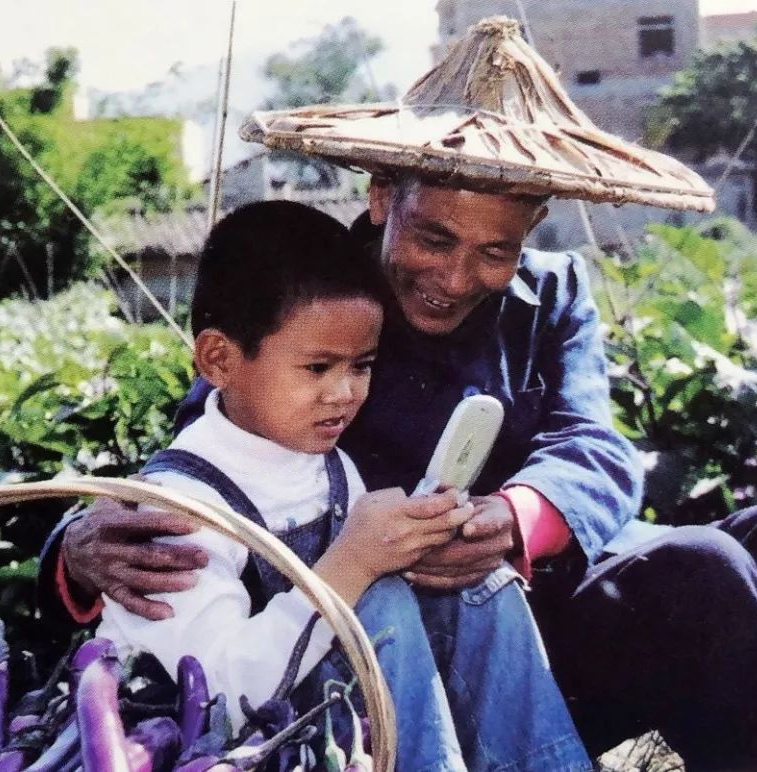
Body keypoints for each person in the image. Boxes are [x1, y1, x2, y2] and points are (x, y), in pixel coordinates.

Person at [40, 18, 757, 770]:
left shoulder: (556, 293)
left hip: (569, 587)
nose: (456, 277)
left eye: (494, 251)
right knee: (699, 571)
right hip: (441, 664)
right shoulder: (316, 314)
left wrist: (515, 520)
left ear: (534, 227)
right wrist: (75, 547)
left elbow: (597, 450)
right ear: (383, 196)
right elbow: (203, 457)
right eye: (434, 237)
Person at [93, 199, 593, 771]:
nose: (344, 394)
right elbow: (222, 699)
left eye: (361, 367)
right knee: (374, 601)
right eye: (317, 369)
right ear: (218, 359)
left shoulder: (324, 465)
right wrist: (354, 563)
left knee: (480, 589)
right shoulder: (183, 509)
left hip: (322, 726)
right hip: (213, 746)